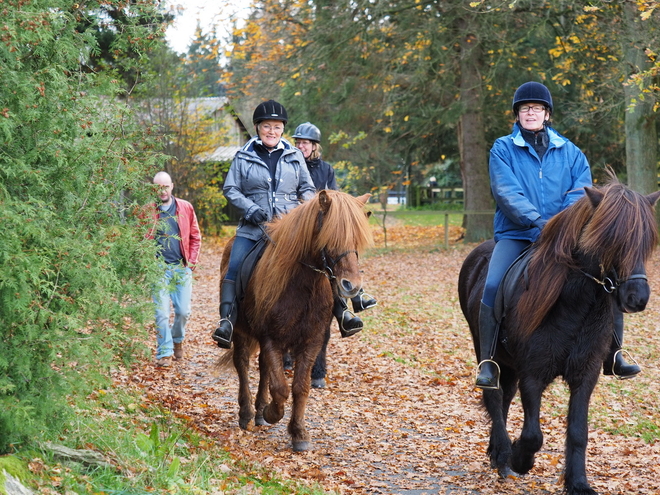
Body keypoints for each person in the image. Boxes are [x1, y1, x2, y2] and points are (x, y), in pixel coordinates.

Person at [475, 81, 640, 390]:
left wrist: (561, 225)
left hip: (566, 236)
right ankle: (489, 361)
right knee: (494, 284)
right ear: (518, 114)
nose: (530, 113)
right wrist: (539, 223)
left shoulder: (571, 152)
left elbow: (580, 191)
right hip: (518, 234)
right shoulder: (502, 148)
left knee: (607, 279)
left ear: (547, 113)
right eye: (525, 109)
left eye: (536, 108)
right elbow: (506, 192)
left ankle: (615, 354)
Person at [211, 100, 317, 349]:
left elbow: (308, 189)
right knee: (234, 267)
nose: (272, 131)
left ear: (283, 130)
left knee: (322, 262)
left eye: (277, 127)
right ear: (258, 127)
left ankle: (344, 310)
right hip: (253, 228)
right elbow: (231, 188)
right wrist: (251, 209)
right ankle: (226, 321)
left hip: (289, 230)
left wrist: (302, 215)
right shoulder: (244, 156)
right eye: (267, 126)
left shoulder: (294, 156)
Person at [293, 121, 377, 336]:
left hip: (323, 224)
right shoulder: (291, 165)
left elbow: (335, 198)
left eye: (306, 143)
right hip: (299, 224)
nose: (301, 146)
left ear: (314, 146)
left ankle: (347, 308)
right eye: (299, 142)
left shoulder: (325, 169)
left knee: (339, 250)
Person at [149, 171, 201, 367]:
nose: (162, 190)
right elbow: (141, 240)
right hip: (158, 269)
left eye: (165, 186)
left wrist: (192, 263)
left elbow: (195, 236)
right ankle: (165, 352)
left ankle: (177, 339)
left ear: (172, 186)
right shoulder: (148, 211)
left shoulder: (185, 207)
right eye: (158, 187)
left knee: (183, 311)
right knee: (161, 313)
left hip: (181, 267)